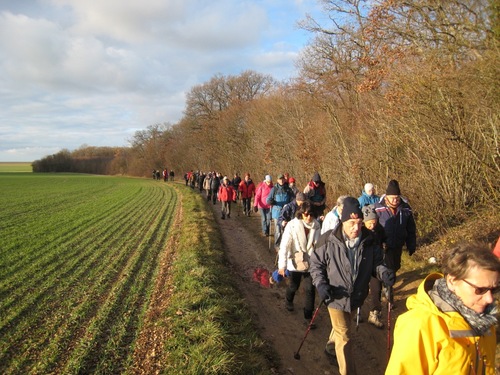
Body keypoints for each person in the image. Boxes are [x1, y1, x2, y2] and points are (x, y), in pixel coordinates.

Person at [310, 197, 395, 374]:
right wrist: (321, 284)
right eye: (351, 223)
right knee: (345, 336)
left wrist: (384, 272)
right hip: (334, 295)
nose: (356, 228)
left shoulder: (370, 240)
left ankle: (331, 346)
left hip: (356, 296)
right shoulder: (328, 240)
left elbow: (377, 264)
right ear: (343, 221)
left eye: (359, 223)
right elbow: (315, 264)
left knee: (342, 329)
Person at [386, 242, 500, 375]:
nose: (489, 299)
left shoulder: (485, 320)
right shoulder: (420, 324)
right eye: (480, 290)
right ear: (452, 281)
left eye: (494, 289)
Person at [278, 201, 321, 325]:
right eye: (306, 214)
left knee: (310, 289)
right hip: (296, 262)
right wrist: (282, 265)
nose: (308, 217)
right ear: (301, 214)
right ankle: (288, 299)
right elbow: (285, 246)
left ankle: (308, 317)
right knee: (294, 286)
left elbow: (319, 246)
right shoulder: (292, 225)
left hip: (311, 263)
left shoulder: (317, 226)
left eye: (311, 215)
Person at [375, 180, 417, 286]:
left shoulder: (406, 208)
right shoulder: (378, 208)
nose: (395, 200)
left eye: (397, 197)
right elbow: (372, 227)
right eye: (392, 197)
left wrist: (411, 244)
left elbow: (411, 228)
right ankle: (388, 291)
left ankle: (389, 283)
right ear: (386, 197)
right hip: (384, 245)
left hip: (398, 243)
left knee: (396, 266)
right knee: (387, 269)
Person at [362, 204, 387, 329]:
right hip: (362, 264)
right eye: (369, 223)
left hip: (376, 263)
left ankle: (374, 313)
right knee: (361, 288)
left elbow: (385, 240)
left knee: (376, 288)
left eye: (374, 222)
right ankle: (357, 309)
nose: (372, 226)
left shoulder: (380, 229)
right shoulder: (359, 231)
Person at [267, 174, 293, 250]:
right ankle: (277, 245)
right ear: (277, 180)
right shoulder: (274, 189)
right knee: (278, 230)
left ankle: (284, 245)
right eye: (279, 179)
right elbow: (268, 199)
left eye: (282, 179)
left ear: (284, 180)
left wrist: (290, 204)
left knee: (285, 230)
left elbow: (292, 199)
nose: (281, 180)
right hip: (277, 213)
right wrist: (271, 202)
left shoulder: (288, 189)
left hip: (286, 213)